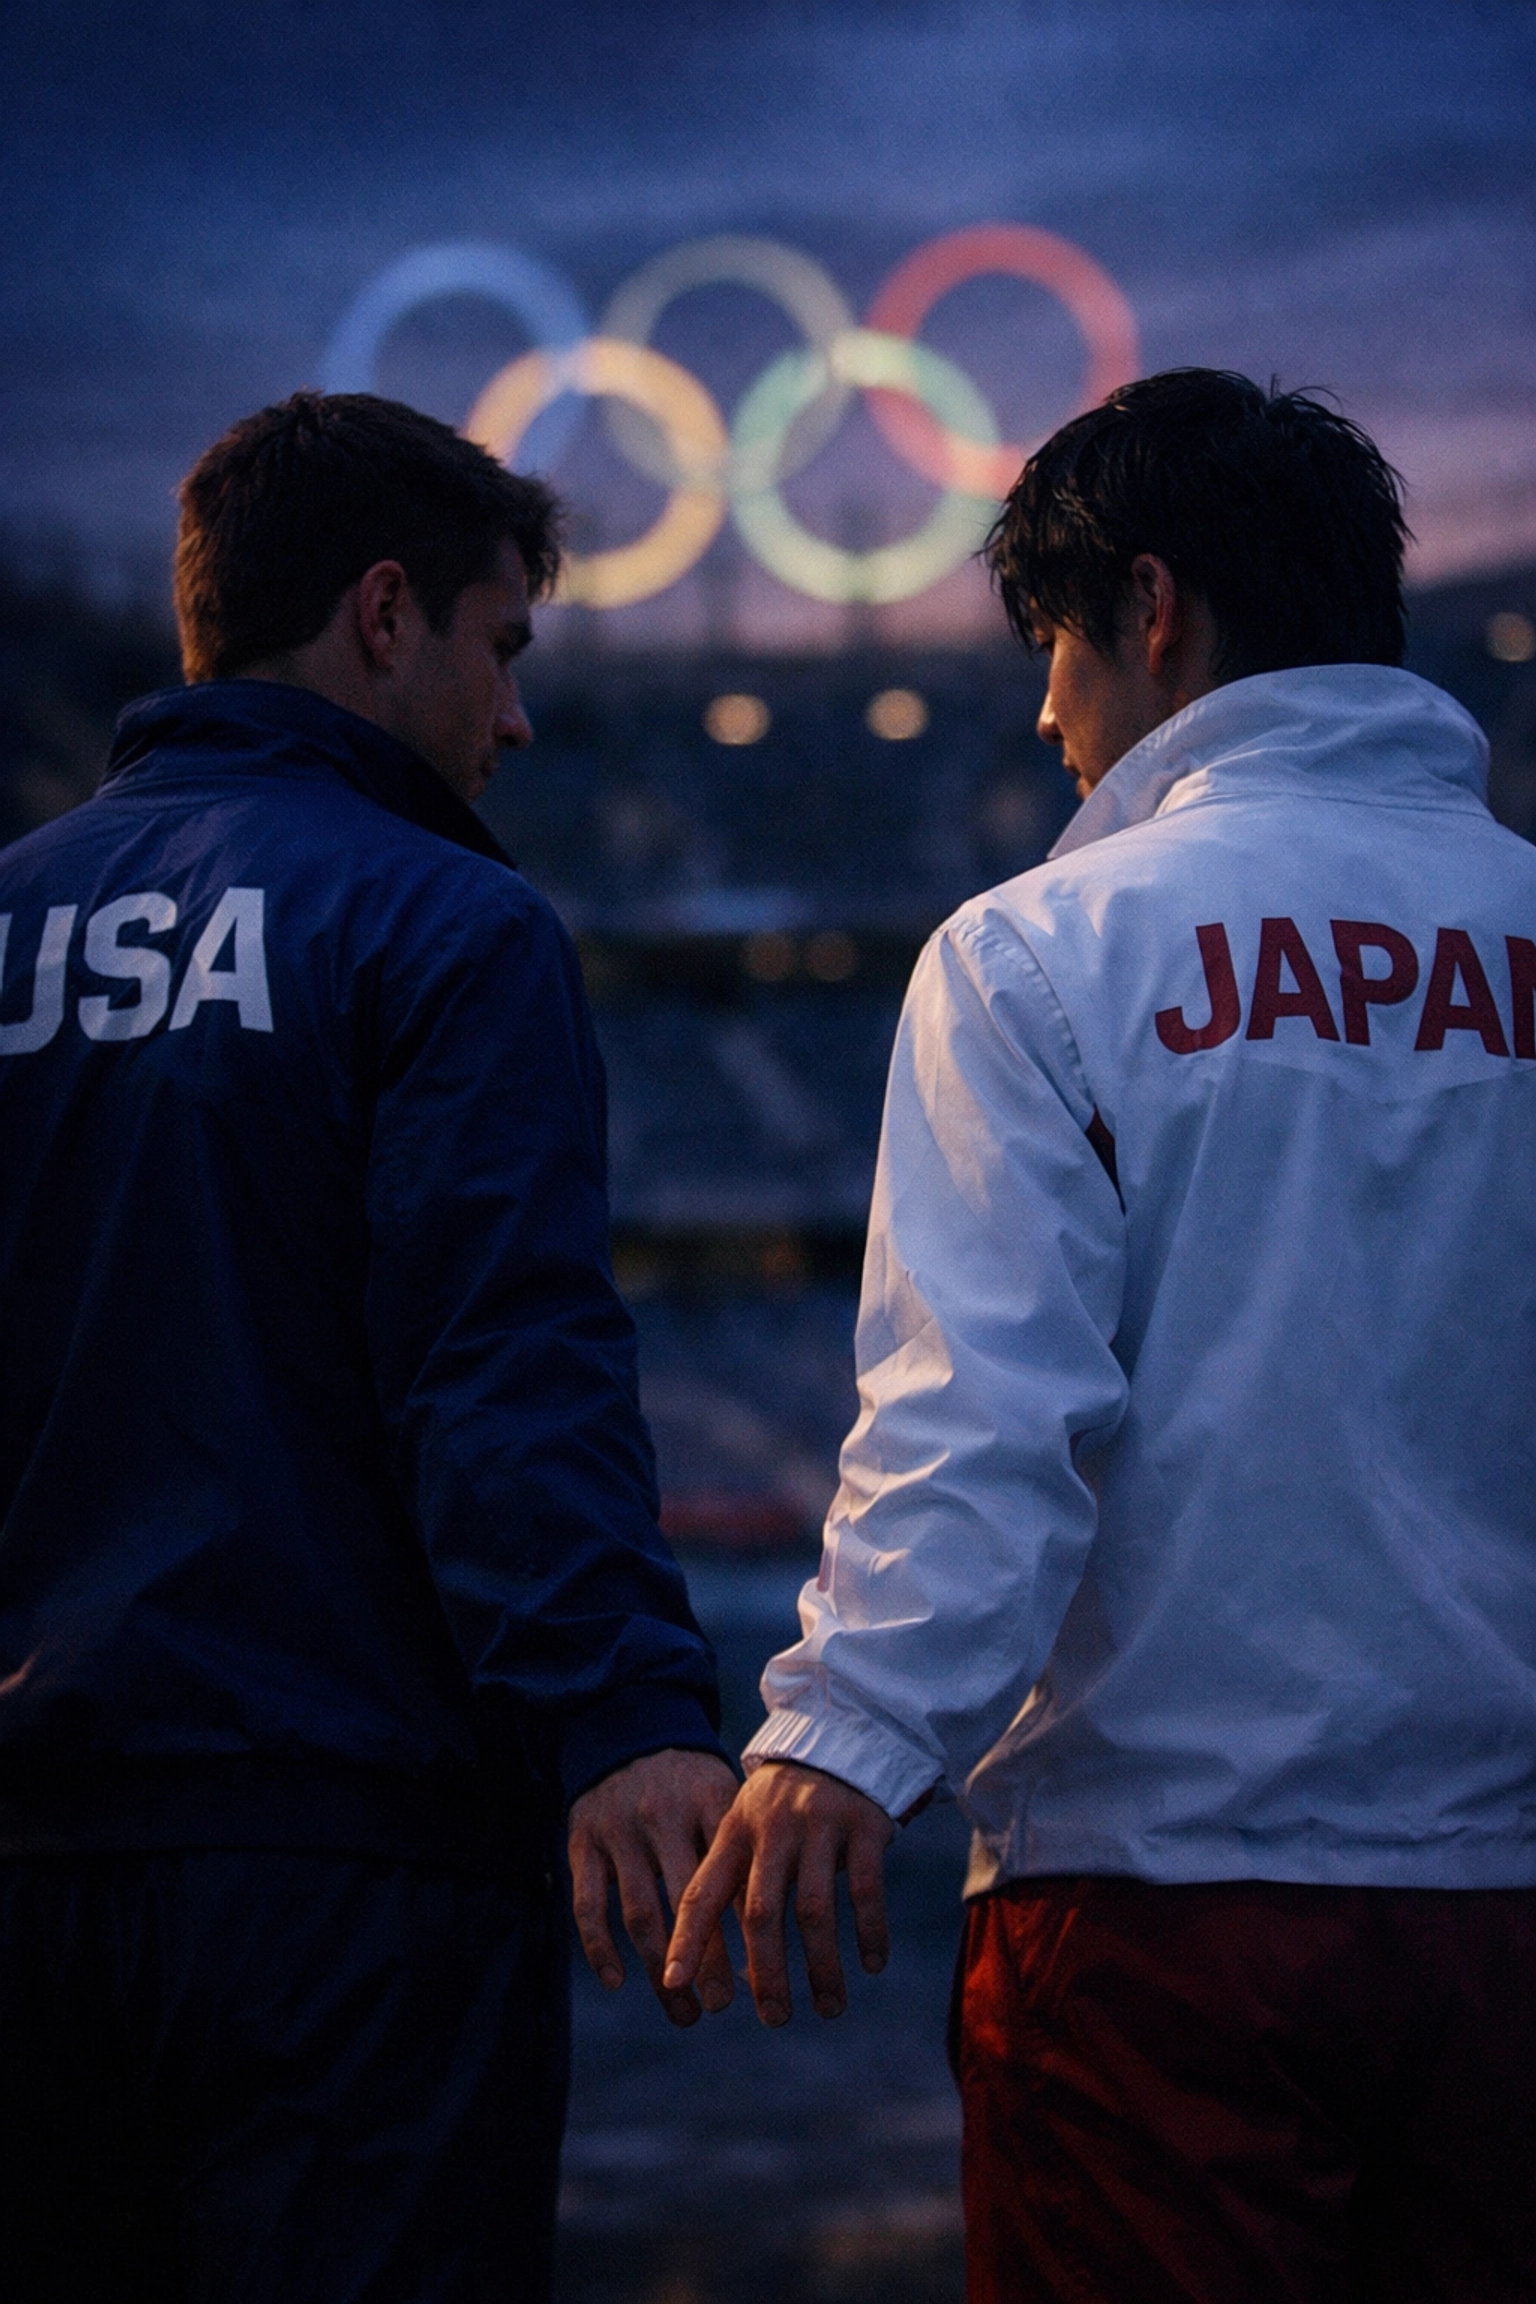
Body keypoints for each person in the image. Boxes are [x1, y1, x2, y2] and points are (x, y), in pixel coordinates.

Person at [668, 369, 1536, 2300]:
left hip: (1164, 1901)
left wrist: (842, 1732)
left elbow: (985, 1420)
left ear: (1153, 612)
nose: (1049, 716)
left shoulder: (1041, 950)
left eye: (1052, 649)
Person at [0, 389, 738, 2304]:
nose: (514, 719)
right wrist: (624, 1713)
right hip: (347, 1874)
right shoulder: (443, 920)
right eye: (501, 650)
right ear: (384, 614)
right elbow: (499, 1359)